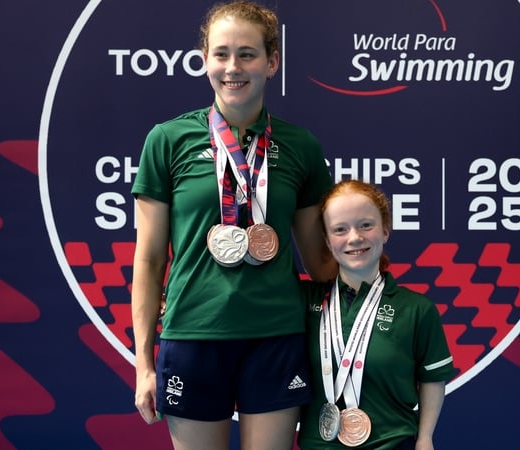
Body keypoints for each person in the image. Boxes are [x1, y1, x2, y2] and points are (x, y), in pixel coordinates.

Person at [130, 1, 337, 449]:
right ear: (204, 59)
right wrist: (143, 364)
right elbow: (148, 260)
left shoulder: (300, 146)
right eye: (221, 54)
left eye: (247, 54)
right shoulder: (167, 140)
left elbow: (320, 263)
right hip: (193, 333)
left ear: (272, 62)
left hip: (276, 335)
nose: (233, 67)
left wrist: (379, 289)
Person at [298, 180, 456, 450]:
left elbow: (432, 378)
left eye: (365, 225)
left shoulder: (417, 309)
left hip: (392, 444)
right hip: (319, 445)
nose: (354, 237)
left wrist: (425, 438)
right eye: (340, 229)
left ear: (385, 230)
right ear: (326, 240)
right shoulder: (304, 301)